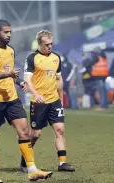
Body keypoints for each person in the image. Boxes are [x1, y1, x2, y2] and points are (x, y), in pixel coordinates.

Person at [0, 19, 53, 183]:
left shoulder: (11, 50)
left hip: (12, 98)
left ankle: (32, 170)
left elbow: (11, 74)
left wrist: (20, 82)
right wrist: (8, 75)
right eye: (6, 32)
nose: (9, 35)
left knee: (24, 131)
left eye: (10, 32)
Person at [21, 30, 75, 172]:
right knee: (35, 134)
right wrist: (36, 94)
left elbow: (58, 79)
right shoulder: (31, 58)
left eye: (51, 44)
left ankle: (62, 163)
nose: (49, 47)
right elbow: (27, 80)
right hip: (38, 102)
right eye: (46, 44)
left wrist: (61, 98)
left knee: (60, 130)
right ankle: (24, 159)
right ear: (39, 44)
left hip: (54, 101)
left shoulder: (56, 58)